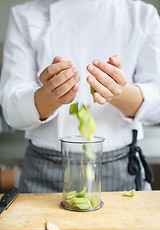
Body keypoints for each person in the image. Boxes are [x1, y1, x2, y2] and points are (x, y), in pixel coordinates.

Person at [0, 0, 160, 193]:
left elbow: (157, 106)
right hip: (44, 173)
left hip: (120, 171)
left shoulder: (143, 15)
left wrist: (118, 92)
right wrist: (49, 97)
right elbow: (11, 110)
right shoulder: (24, 16)